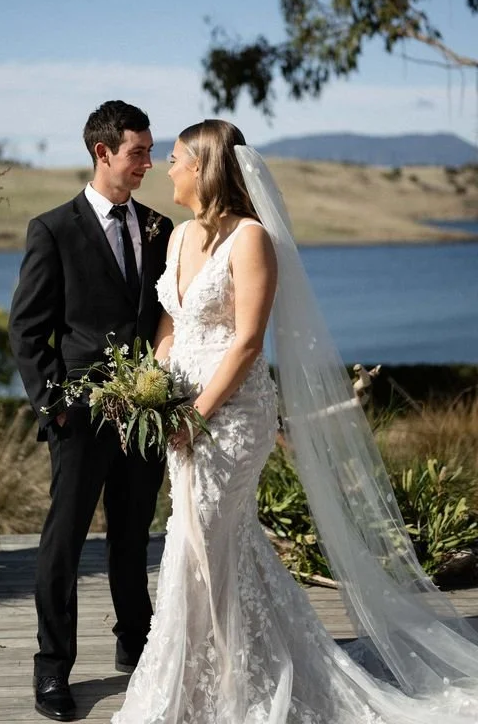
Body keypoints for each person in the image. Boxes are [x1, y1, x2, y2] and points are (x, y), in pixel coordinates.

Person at [112, 118, 478, 724]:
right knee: (206, 541)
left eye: (176, 158)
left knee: (201, 536)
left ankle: (226, 688)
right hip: (181, 417)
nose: (167, 168)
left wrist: (198, 415)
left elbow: (249, 341)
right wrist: (147, 397)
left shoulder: (250, 239)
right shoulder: (177, 239)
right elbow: (171, 328)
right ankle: (213, 678)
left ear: (203, 168)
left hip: (232, 417)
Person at [9, 100, 172, 722]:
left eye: (152, 152)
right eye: (138, 153)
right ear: (102, 152)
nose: (148, 164)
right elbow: (28, 331)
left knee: (133, 539)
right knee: (64, 544)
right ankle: (52, 670)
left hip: (145, 417)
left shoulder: (158, 225)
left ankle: (137, 646)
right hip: (79, 418)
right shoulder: (53, 229)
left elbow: (164, 318)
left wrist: (161, 393)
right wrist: (57, 408)